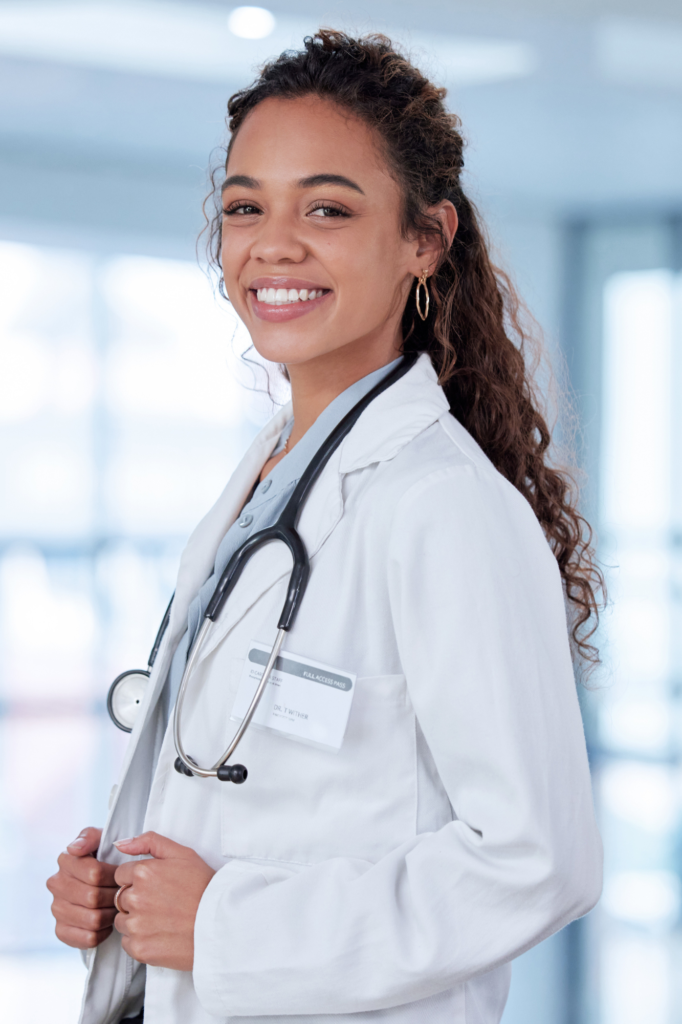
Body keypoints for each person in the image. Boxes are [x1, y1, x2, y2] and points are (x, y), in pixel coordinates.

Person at [47, 30, 603, 1024]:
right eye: (245, 207)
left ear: (423, 240)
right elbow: (268, 790)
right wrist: (122, 891)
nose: (274, 244)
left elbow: (536, 861)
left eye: (328, 209)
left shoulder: (443, 508)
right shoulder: (265, 478)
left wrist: (226, 923)